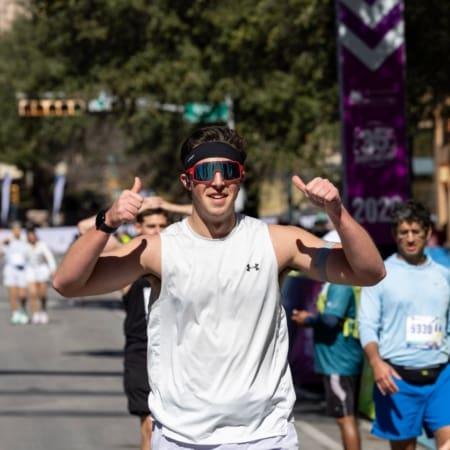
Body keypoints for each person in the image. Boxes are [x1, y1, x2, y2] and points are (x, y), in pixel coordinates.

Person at [54, 126, 385, 448]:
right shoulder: (158, 249)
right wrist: (107, 222)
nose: (217, 182)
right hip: (182, 437)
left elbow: (369, 272)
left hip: (266, 435)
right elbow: (67, 283)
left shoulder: (276, 242)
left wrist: (337, 213)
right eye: (205, 172)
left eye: (227, 170)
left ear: (239, 177)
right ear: (187, 181)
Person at [78, 199, 191, 450]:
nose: (158, 231)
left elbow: (215, 213)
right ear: (138, 228)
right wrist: (134, 210)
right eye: (151, 225)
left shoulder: (183, 256)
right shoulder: (130, 261)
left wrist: (169, 206)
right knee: (149, 426)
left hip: (182, 352)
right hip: (142, 352)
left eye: (163, 225)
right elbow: (84, 227)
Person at [359, 200, 450, 450]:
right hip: (397, 380)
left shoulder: (444, 275)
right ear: (395, 235)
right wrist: (376, 363)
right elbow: (367, 324)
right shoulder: (380, 274)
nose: (410, 238)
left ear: (428, 233)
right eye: (403, 232)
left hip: (442, 377)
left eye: (416, 232)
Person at [291, 281, 363, 450]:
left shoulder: (340, 284)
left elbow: (331, 320)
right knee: (347, 416)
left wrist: (307, 318)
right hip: (341, 360)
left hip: (339, 362)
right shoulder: (338, 282)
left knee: (345, 417)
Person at [25, 226, 57, 325]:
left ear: (35, 236)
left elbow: (49, 257)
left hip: (42, 270)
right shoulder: (24, 245)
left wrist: (52, 269)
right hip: (30, 270)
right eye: (29, 236)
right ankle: (35, 314)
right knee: (32, 293)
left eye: (33, 235)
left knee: (42, 294)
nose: (31, 237)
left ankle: (43, 310)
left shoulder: (42, 245)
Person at [1, 222, 30, 325]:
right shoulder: (8, 240)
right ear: (12, 230)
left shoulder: (25, 240)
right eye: (15, 229)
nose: (17, 231)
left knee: (22, 294)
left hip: (22, 269)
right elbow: (1, 253)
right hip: (10, 269)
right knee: (12, 293)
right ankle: (15, 313)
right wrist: (2, 244)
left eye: (18, 229)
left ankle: (23, 310)